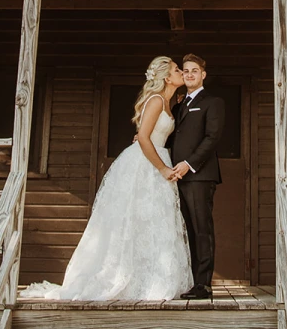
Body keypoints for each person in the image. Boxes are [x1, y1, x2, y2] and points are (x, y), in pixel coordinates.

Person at [24, 56, 193, 301]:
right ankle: (119, 278)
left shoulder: (168, 102)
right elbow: (144, 138)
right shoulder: (156, 100)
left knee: (153, 222)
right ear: (167, 77)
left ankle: (151, 279)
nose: (181, 73)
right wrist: (163, 170)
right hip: (145, 165)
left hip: (157, 160)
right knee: (129, 222)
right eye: (178, 70)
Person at [165, 53, 226, 300]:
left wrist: (188, 164)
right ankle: (190, 280)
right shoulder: (179, 105)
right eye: (186, 70)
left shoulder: (213, 102)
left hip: (199, 175)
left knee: (202, 229)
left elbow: (212, 138)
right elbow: (173, 135)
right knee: (186, 229)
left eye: (194, 70)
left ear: (203, 75)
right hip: (175, 176)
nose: (189, 74)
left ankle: (204, 284)